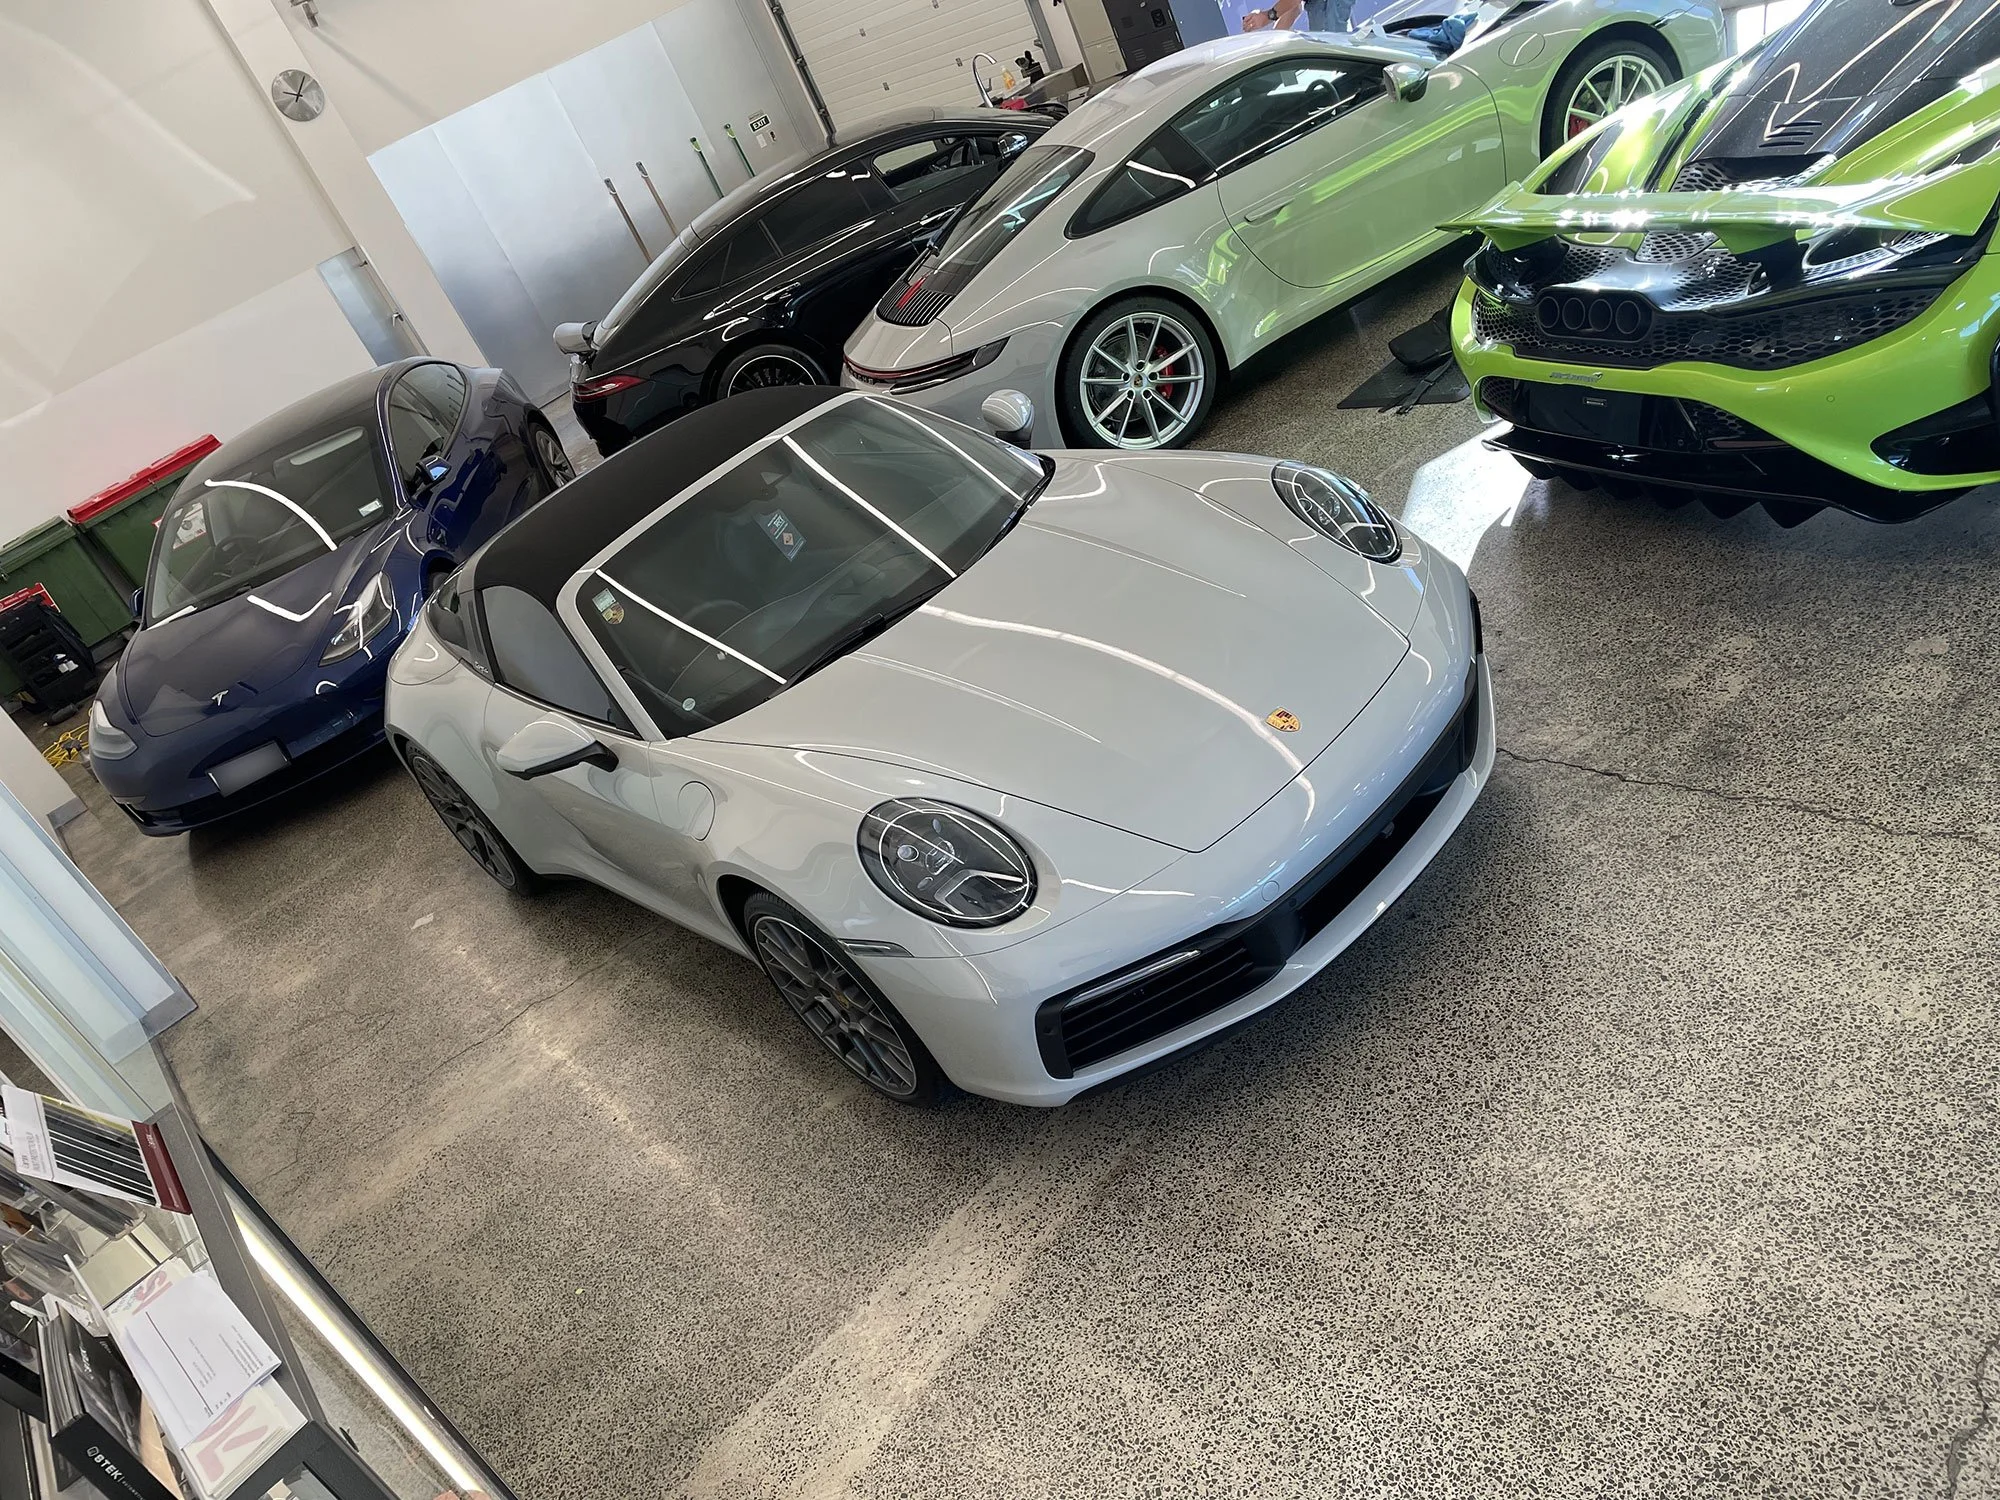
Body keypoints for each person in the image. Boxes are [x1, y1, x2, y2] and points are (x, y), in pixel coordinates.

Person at [1242, 0, 1355, 33]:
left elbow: (1293, 1)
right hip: (1317, 6)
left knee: (1331, 52)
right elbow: (1294, 8)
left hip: (1329, 5)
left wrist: (1267, 16)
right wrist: (1273, 40)